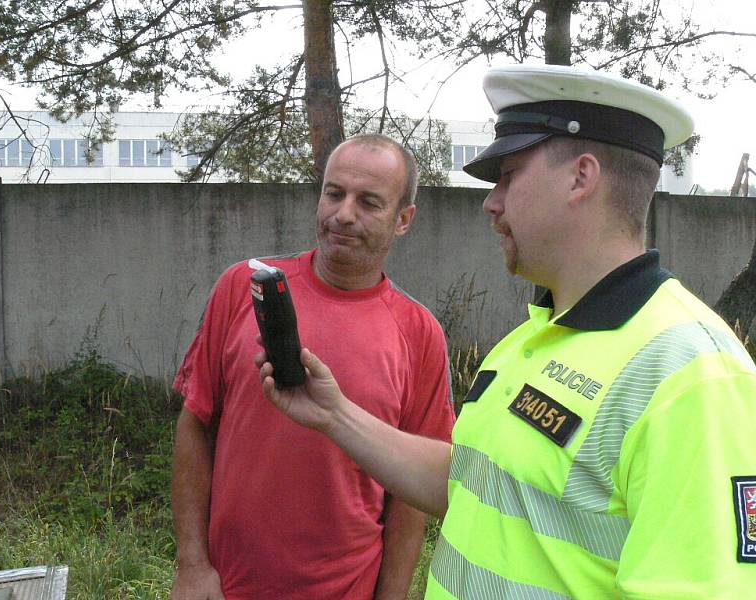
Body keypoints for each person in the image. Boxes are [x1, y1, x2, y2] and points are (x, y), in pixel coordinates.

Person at [257, 64, 756, 598]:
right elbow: (470, 481)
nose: (491, 202)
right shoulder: (529, 340)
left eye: (509, 176)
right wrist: (335, 415)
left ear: (580, 177)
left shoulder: (693, 376)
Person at [170, 133, 455, 600]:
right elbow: (196, 424)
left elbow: (411, 496)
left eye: (368, 202)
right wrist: (193, 566)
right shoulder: (243, 288)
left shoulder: (418, 333)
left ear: (403, 220)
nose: (344, 215)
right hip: (227, 586)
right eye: (334, 193)